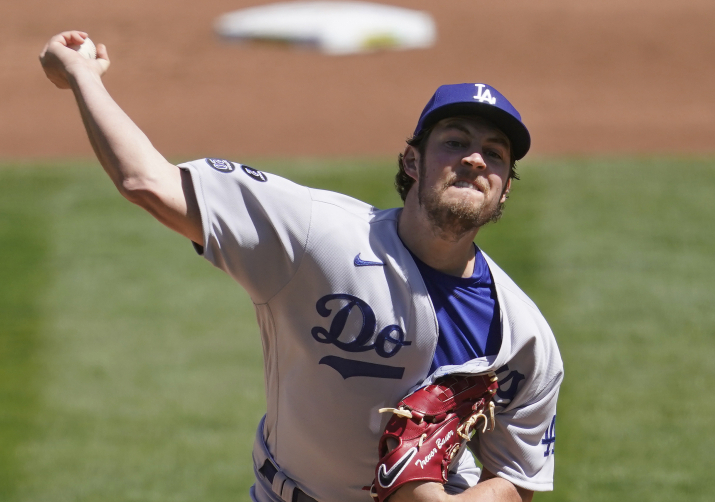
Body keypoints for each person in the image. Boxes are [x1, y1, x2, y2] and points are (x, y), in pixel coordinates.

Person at [40, 31, 563, 502]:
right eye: (455, 142)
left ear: (506, 187)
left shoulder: (522, 337)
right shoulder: (316, 234)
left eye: (494, 154)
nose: (475, 159)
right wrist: (81, 75)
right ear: (412, 161)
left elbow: (518, 474)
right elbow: (147, 182)